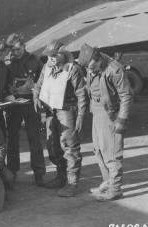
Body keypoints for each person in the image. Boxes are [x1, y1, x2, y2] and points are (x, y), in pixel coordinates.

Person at [78, 43, 133, 201]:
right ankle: (108, 182)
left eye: (90, 66)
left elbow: (126, 95)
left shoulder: (114, 69)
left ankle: (115, 188)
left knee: (111, 151)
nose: (89, 69)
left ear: (97, 58)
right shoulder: (92, 66)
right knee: (98, 149)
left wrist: (121, 119)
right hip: (96, 108)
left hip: (110, 112)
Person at [33, 39, 88, 197]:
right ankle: (61, 176)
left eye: (53, 56)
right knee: (53, 145)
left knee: (70, 148)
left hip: (66, 111)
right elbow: (38, 85)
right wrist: (36, 97)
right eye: (48, 57)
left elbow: (81, 94)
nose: (50, 59)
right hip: (51, 112)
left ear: (63, 54)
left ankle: (72, 183)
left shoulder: (73, 70)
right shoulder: (47, 67)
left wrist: (81, 116)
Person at [4, 33, 46, 186]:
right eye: (12, 50)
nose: (15, 52)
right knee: (12, 140)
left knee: (34, 139)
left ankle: (39, 173)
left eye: (17, 49)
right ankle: (12, 172)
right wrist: (8, 92)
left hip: (30, 103)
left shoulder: (34, 60)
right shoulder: (7, 62)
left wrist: (36, 91)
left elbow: (43, 79)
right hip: (13, 105)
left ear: (24, 46)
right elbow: (2, 81)